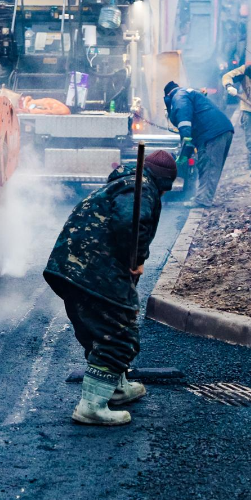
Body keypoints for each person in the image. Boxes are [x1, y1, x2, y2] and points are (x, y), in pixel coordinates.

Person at [43, 151, 178, 426]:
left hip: (70, 268)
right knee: (118, 333)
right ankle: (91, 406)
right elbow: (130, 223)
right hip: (94, 271)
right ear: (163, 182)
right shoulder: (140, 188)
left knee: (99, 329)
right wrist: (137, 258)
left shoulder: (123, 184)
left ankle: (115, 387)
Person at [163, 81, 234, 208]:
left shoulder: (179, 96)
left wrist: (185, 135)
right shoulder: (189, 92)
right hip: (220, 131)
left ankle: (203, 200)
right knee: (210, 166)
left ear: (168, 95)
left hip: (213, 133)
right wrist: (186, 152)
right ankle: (203, 197)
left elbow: (183, 115)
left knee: (208, 166)